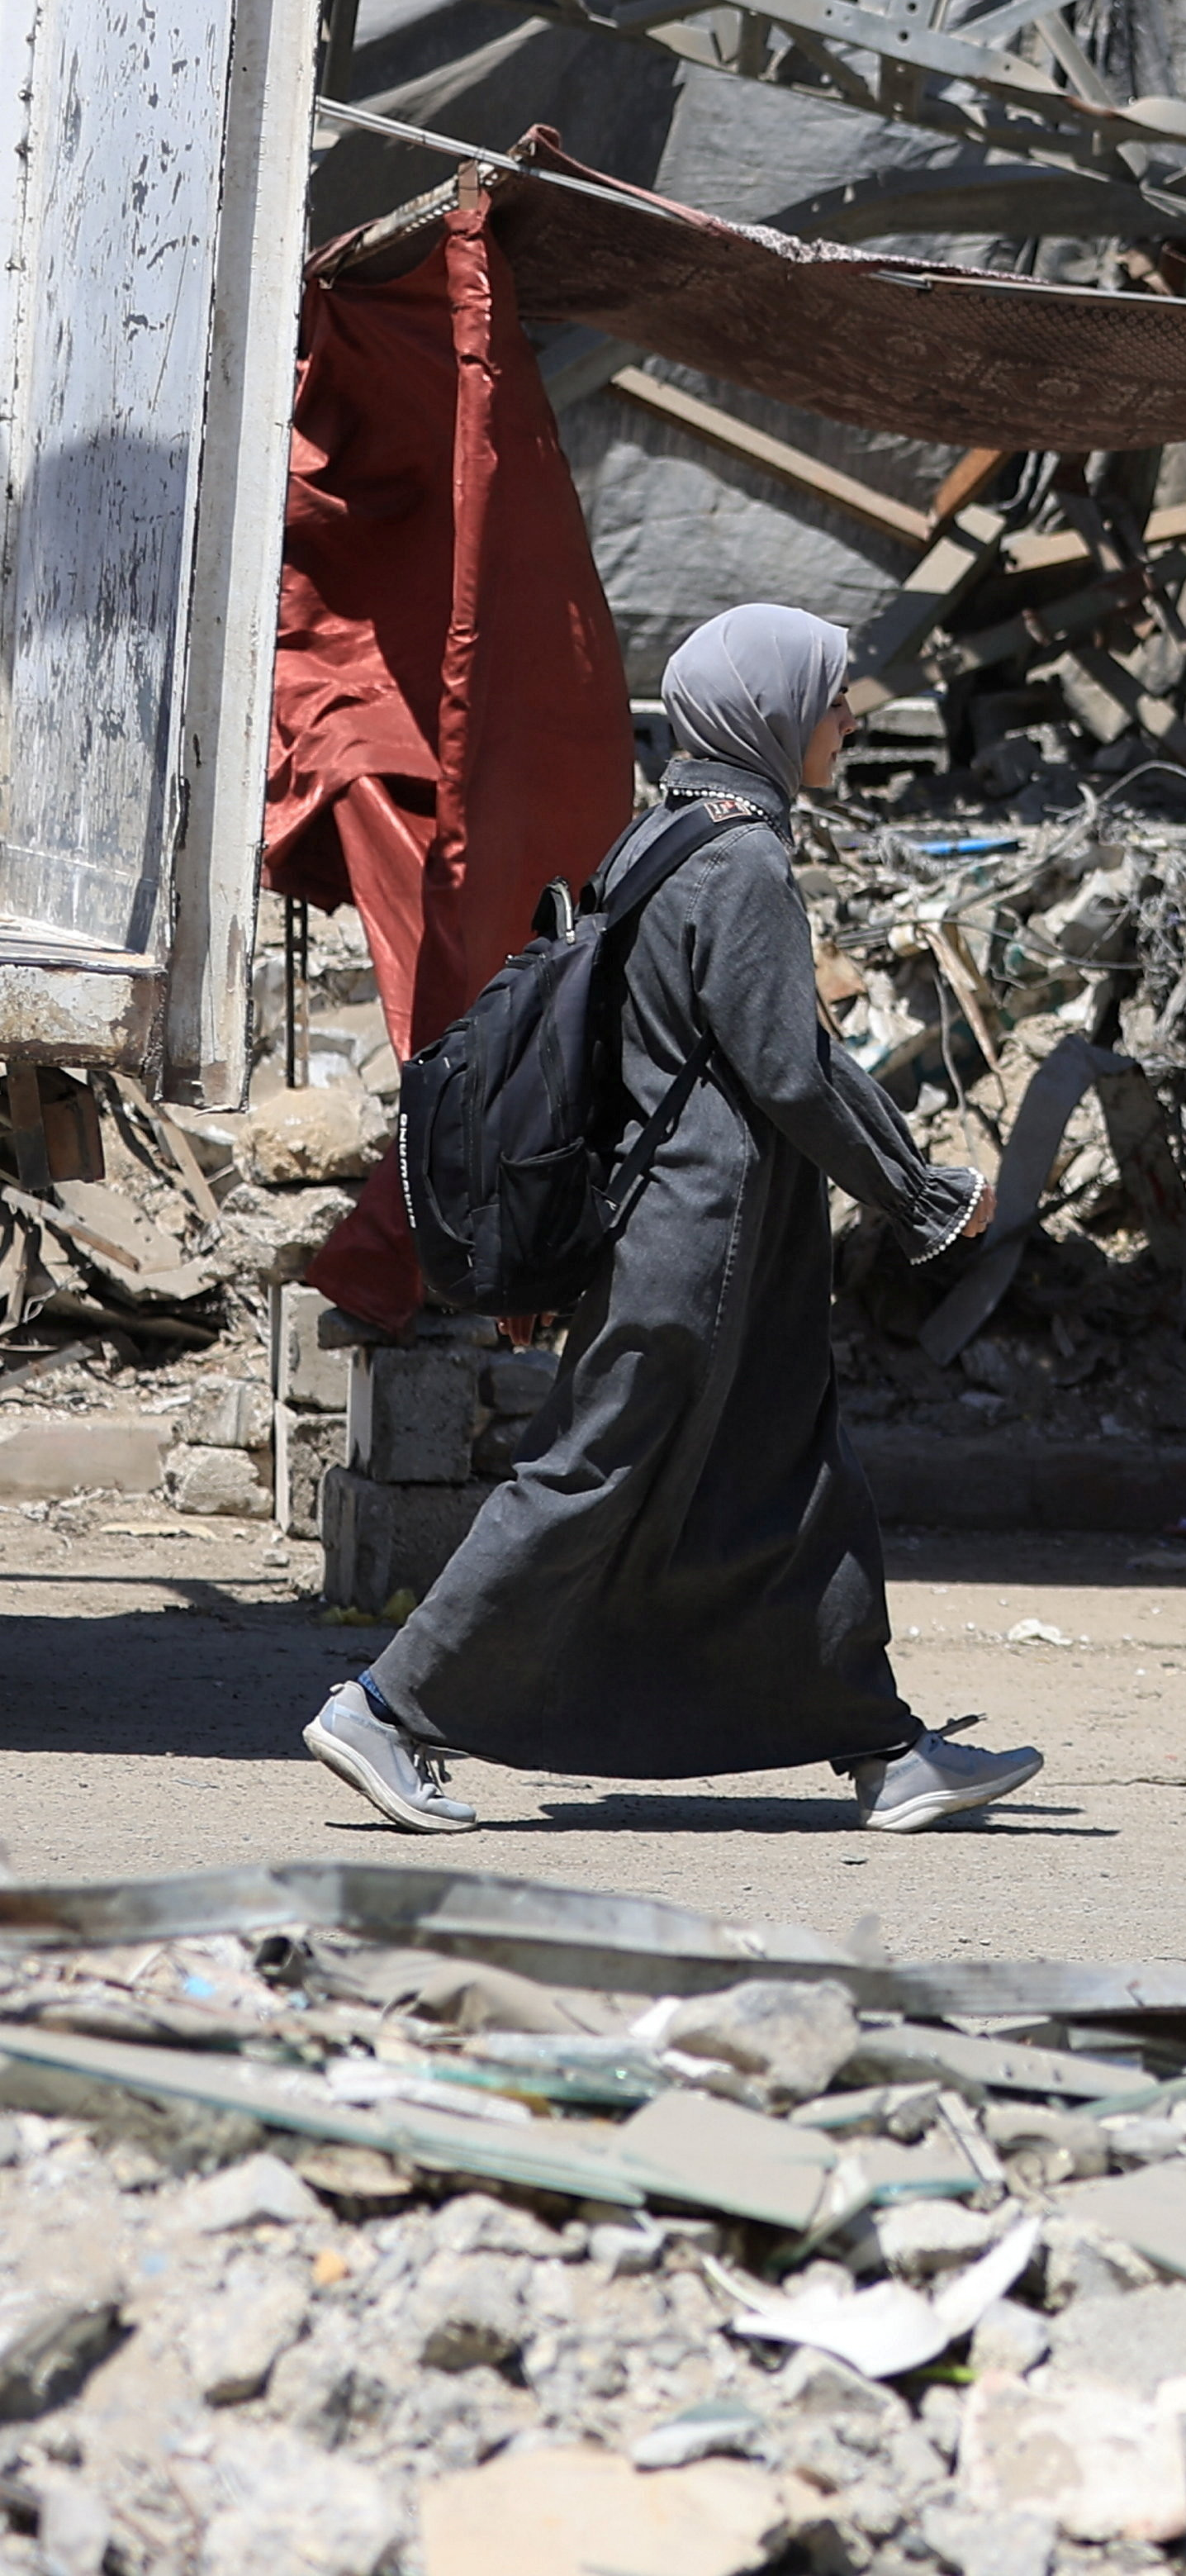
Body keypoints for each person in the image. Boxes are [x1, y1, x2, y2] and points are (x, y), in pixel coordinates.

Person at [301, 606, 1043, 1837]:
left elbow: (770, 1054)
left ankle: (882, 1745)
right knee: (592, 1470)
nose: (848, 719)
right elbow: (791, 1067)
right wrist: (915, 1193)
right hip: (697, 1247)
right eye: (832, 697)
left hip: (711, 1240)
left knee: (793, 1482)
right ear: (769, 707)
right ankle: (387, 1705)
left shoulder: (666, 836)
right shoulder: (740, 859)